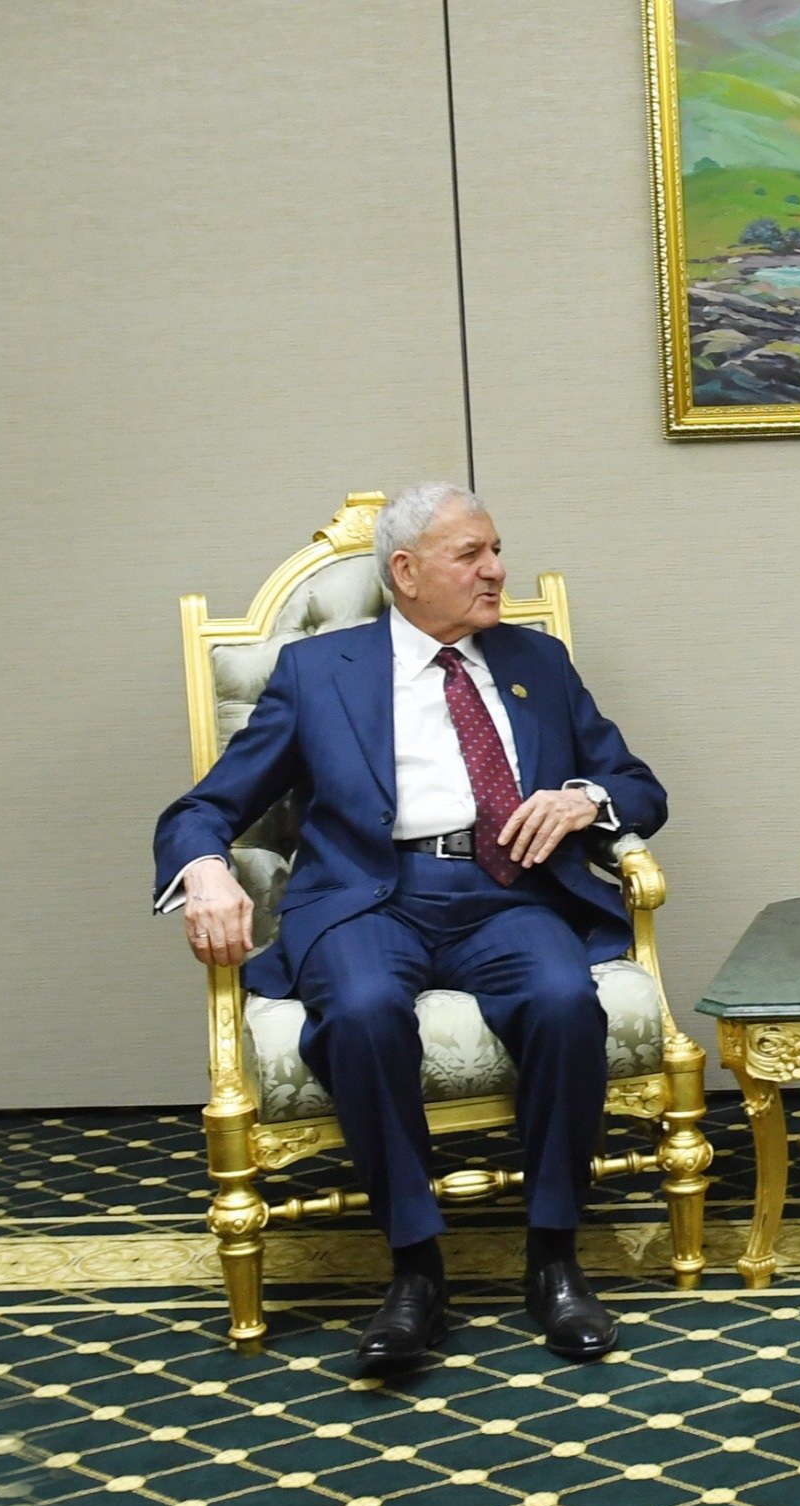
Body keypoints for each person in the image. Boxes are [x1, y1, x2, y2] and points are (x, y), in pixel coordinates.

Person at [154, 484, 666, 1373]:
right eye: (471, 555)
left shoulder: (536, 661)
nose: (496, 570)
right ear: (406, 571)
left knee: (562, 1003)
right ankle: (415, 1269)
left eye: (496, 550)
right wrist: (203, 870)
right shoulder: (318, 672)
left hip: (508, 889)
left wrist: (583, 800)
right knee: (360, 1013)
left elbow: (637, 784)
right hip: (367, 896)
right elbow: (206, 807)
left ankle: (553, 1258)